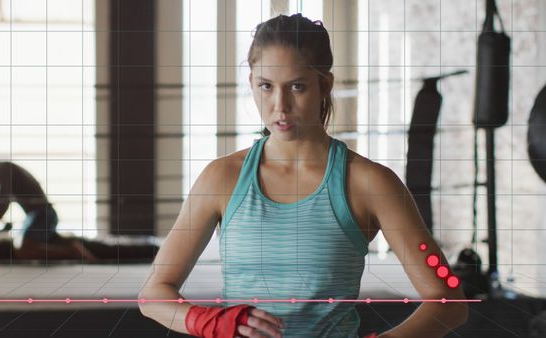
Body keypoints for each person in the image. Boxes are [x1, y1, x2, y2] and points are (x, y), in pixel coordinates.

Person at [138, 14, 468, 338]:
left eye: (296, 86)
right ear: (251, 82)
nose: (279, 106)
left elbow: (450, 299)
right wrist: (211, 322)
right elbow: (153, 295)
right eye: (265, 86)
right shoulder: (221, 178)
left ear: (325, 85)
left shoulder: (371, 183)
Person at [0, 151, 95, 261]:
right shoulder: (6, 169)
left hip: (41, 214)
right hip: (43, 214)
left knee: (23, 249)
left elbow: (2, 204)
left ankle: (72, 253)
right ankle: (80, 253)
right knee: (51, 242)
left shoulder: (3, 170)